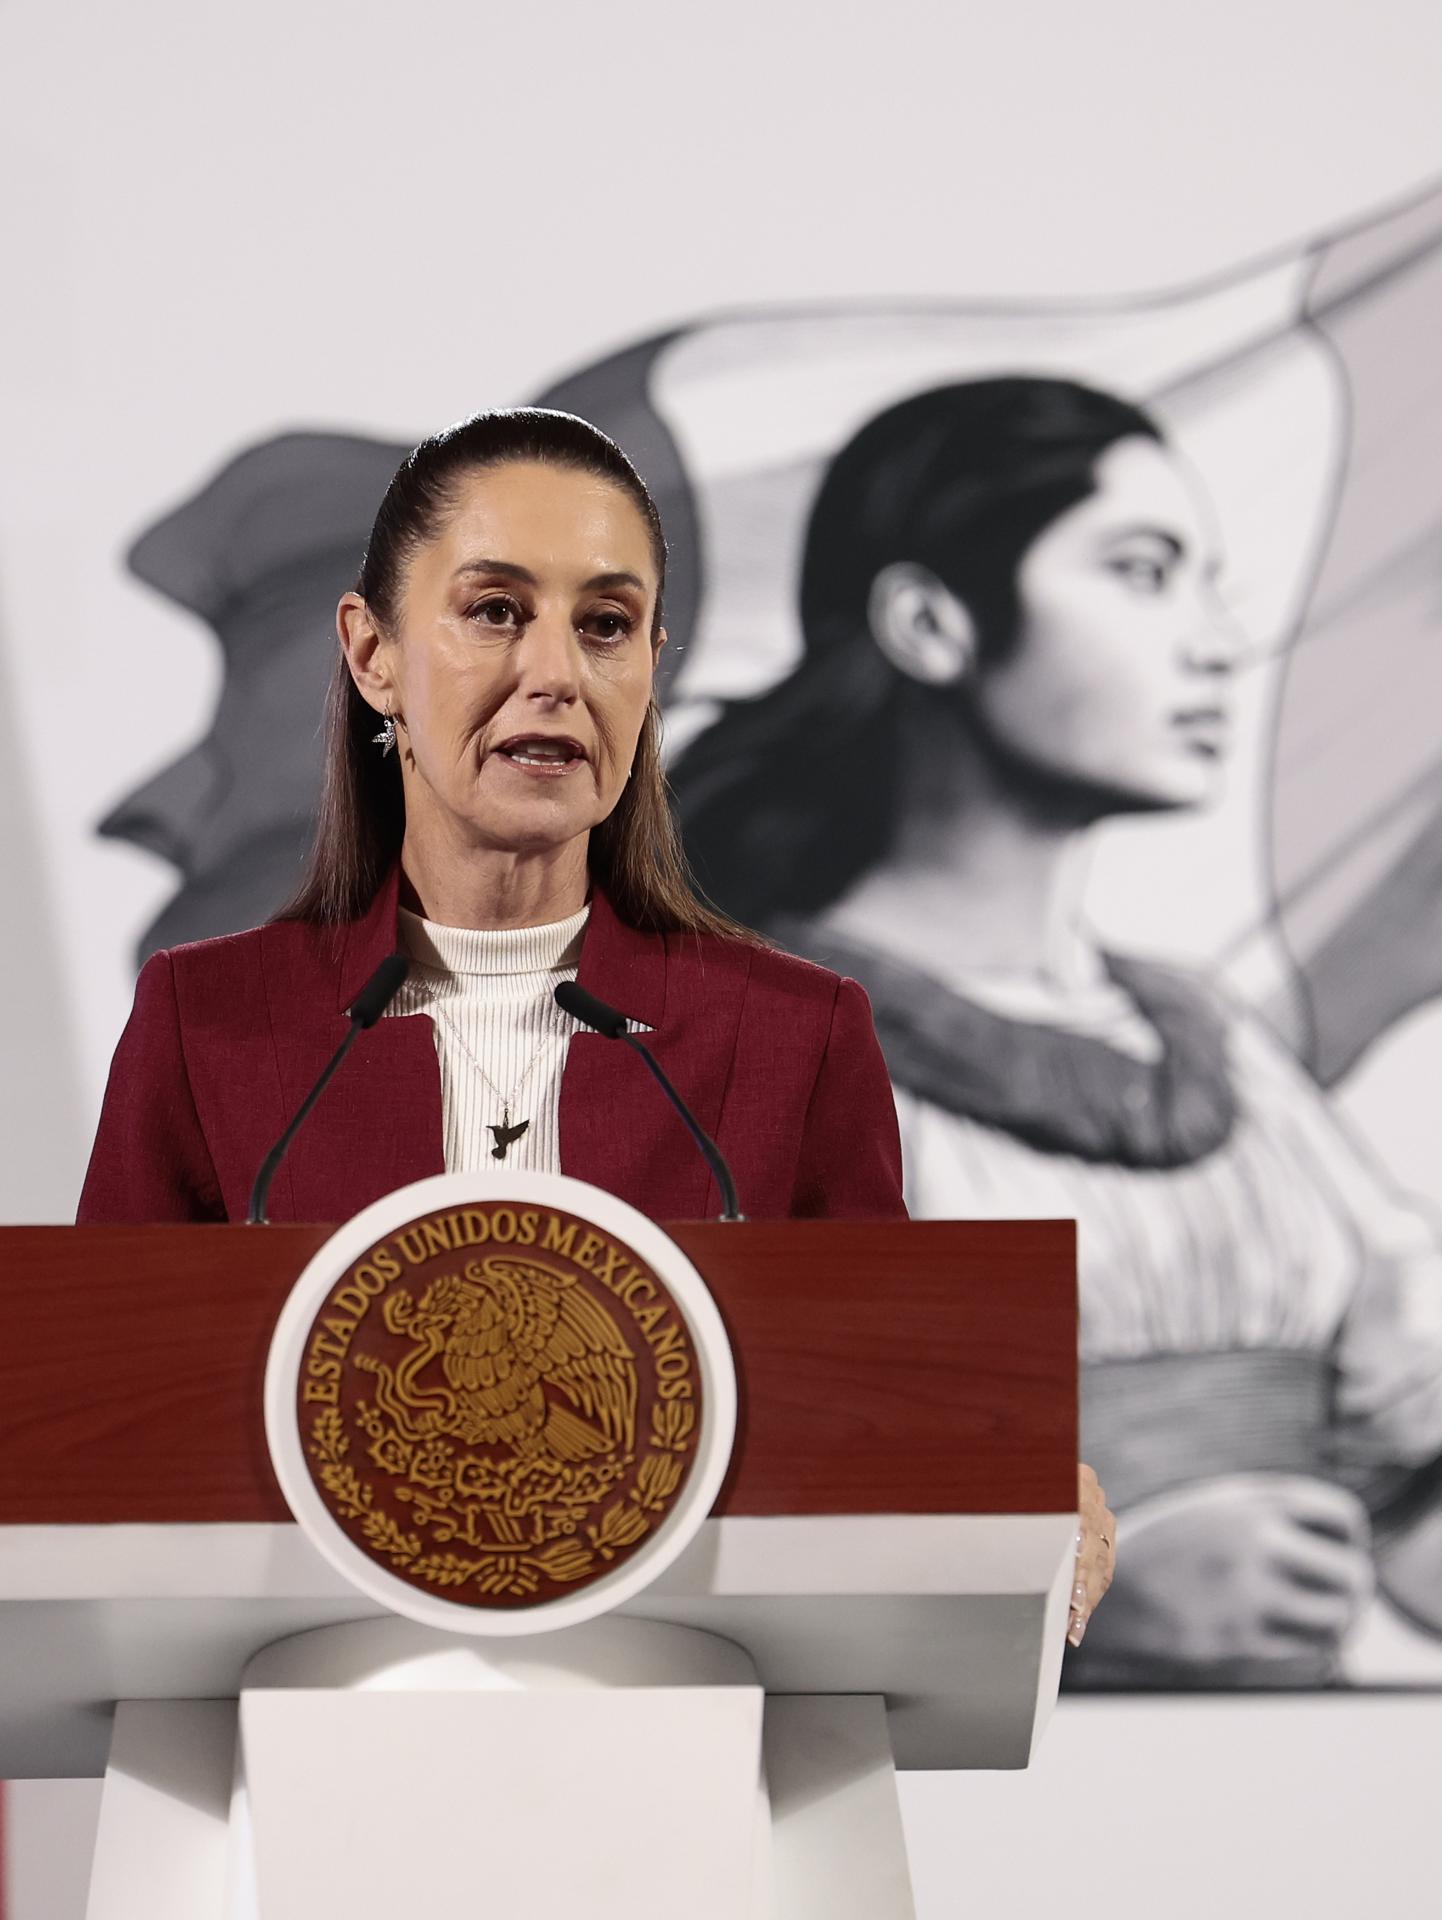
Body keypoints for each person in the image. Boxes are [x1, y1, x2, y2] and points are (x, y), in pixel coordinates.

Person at [77, 404, 1114, 1642]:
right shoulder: (212, 1023)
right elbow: (98, 1428)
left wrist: (1001, 1477)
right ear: (374, 656)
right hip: (317, 1737)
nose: (555, 675)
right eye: (495, 611)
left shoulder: (795, 1035)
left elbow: (872, 1411)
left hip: (686, 1740)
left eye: (606, 626)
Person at [671, 376, 1442, 1688]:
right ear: (929, 622)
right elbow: (642, 1514)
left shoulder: (1216, 1049)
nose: (1210, 644)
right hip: (945, 1823)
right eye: (1140, 574)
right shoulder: (732, 1054)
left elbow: (1403, 1451)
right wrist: (1071, 1592)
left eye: (1207, 582)